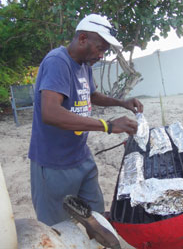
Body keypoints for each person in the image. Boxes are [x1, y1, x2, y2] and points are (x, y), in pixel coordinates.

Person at [28, 14, 143, 226]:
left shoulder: (84, 65)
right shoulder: (57, 62)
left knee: (95, 217)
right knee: (57, 228)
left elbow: (91, 95)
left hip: (81, 157)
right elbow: (50, 112)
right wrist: (108, 126)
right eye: (100, 48)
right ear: (82, 39)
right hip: (54, 163)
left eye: (104, 51)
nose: (101, 55)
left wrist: (122, 102)